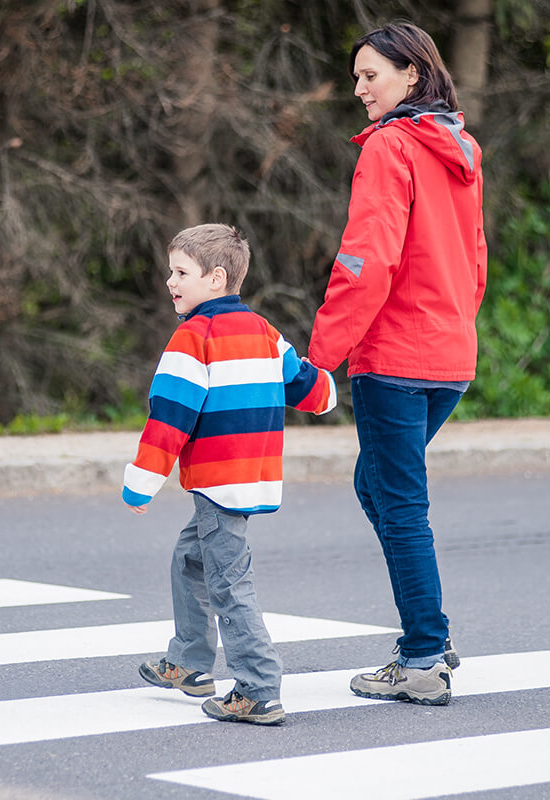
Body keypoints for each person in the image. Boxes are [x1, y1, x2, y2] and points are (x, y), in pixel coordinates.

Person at [307, 21, 487, 706]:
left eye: (370, 76)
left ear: (413, 75)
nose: (359, 89)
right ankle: (427, 637)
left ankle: (422, 655)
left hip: (395, 357)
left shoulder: (391, 148)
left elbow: (365, 261)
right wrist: (457, 332)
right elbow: (475, 261)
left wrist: (322, 360)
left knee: (399, 502)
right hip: (449, 355)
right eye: (356, 78)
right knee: (378, 487)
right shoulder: (461, 147)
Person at [124, 223, 337, 725]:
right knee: (190, 558)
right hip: (251, 474)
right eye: (170, 271)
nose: (169, 281)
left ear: (216, 278)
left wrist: (142, 481)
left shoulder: (192, 337)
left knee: (229, 583)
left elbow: (169, 417)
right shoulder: (264, 332)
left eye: (181, 272)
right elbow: (308, 388)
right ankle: (189, 662)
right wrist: (328, 389)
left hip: (218, 483)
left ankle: (258, 689)